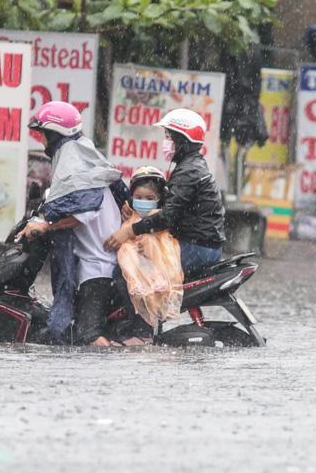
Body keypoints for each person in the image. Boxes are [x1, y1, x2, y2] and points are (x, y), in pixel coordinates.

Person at [15, 101, 128, 346]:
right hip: (96, 264)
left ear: (55, 133)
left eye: (42, 134)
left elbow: (81, 213)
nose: (42, 141)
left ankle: (127, 362)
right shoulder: (81, 159)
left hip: (99, 269)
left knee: (87, 336)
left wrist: (45, 226)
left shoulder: (74, 166)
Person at [104, 109, 225, 275]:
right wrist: (132, 203)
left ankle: (141, 302)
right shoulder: (189, 166)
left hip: (197, 249)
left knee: (126, 269)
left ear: (182, 139)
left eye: (169, 137)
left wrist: (129, 230)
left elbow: (168, 216)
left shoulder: (189, 171)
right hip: (199, 245)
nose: (166, 142)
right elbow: (168, 198)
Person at [114, 166, 184, 336]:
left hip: (159, 257)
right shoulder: (130, 212)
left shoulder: (158, 215)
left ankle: (145, 334)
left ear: (159, 199)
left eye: (149, 198)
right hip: (136, 256)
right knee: (124, 252)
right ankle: (135, 285)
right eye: (138, 197)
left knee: (148, 239)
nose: (143, 201)